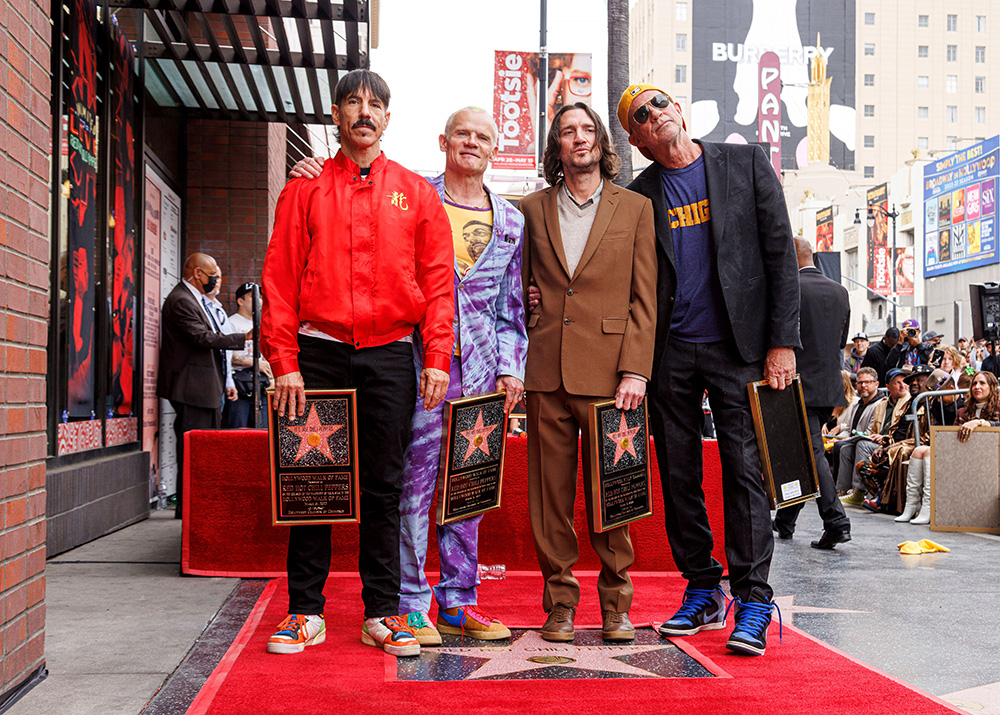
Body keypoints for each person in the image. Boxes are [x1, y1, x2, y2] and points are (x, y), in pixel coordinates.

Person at [287, 106, 529, 645]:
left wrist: (513, 370)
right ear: (443, 141)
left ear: (496, 148)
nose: (472, 142)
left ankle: (461, 600)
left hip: (484, 373)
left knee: (470, 487)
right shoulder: (412, 193)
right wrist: (313, 173)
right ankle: (410, 601)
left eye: (483, 136)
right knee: (411, 487)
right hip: (421, 367)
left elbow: (513, 308)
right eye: (462, 133)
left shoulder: (512, 220)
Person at [261, 70, 454, 658]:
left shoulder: (417, 193)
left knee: (384, 485)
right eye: (353, 103)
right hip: (317, 353)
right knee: (310, 484)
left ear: (388, 119)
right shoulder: (305, 188)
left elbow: (437, 281)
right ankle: (305, 611)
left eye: (375, 105)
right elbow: (280, 277)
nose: (364, 113)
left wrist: (437, 356)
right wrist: (284, 360)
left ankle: (384, 612)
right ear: (338, 116)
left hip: (391, 353)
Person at [620, 83, 800, 656]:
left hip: (739, 348)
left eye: (659, 104)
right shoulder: (638, 196)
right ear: (637, 140)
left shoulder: (744, 161)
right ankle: (702, 588)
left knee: (745, 471)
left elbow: (780, 255)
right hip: (669, 352)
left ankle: (753, 599)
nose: (655, 116)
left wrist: (782, 342)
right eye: (640, 118)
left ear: (679, 108)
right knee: (678, 475)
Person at [521, 102, 656, 643]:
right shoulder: (529, 208)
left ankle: (617, 603)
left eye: (586, 129)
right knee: (549, 497)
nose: (578, 138)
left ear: (601, 141)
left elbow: (645, 299)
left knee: (614, 493)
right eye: (567, 132)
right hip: (545, 371)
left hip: (613, 377)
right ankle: (559, 603)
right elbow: (516, 282)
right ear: (557, 149)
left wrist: (636, 371)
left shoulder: (636, 208)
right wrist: (528, 304)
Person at [772, 238, 851, 549]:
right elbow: (841, 340)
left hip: (795, 382)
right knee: (802, 451)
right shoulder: (839, 291)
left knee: (810, 452)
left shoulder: (789, 288)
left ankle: (836, 521)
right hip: (828, 384)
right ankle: (786, 519)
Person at [157, 253, 249, 519]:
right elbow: (203, 337)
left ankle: (198, 504)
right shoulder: (181, 300)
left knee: (205, 448)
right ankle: (190, 507)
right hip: (191, 387)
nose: (216, 281)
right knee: (196, 449)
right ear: (197, 273)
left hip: (205, 386)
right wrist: (245, 337)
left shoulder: (198, 300)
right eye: (213, 276)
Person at [841, 368, 910, 505]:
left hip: (896, 444)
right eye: (897, 383)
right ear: (888, 387)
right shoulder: (883, 403)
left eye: (904, 382)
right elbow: (872, 430)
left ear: (877, 385)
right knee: (845, 447)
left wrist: (883, 438)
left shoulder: (908, 403)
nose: (902, 386)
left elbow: (901, 433)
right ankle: (841, 490)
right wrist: (875, 436)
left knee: (861, 445)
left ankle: (859, 491)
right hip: (878, 441)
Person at [225, 282, 273, 429]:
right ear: (240, 301)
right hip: (239, 386)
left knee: (264, 432)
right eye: (253, 297)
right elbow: (225, 354)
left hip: (261, 386)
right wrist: (254, 363)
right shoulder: (231, 322)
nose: (258, 300)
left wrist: (272, 378)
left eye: (259, 296)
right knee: (237, 431)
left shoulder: (264, 323)